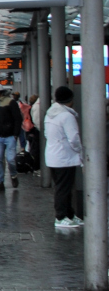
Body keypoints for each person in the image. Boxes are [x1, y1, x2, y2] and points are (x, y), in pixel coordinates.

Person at [45, 85, 84, 229]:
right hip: (65, 157)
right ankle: (61, 217)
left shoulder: (50, 113)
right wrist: (80, 151)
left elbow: (46, 134)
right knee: (63, 189)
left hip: (52, 156)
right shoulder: (67, 116)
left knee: (63, 187)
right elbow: (73, 138)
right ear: (70, 100)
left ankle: (69, 215)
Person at [0, 83, 25, 193]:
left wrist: (15, 134)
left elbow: (17, 119)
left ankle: (13, 175)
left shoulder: (10, 102)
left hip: (10, 136)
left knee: (10, 160)